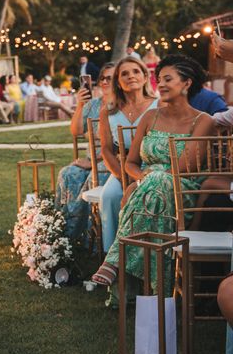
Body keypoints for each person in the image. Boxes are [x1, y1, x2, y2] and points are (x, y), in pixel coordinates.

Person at [92, 54, 216, 289]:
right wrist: (141, 179)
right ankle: (155, 286)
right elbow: (130, 163)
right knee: (152, 185)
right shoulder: (150, 116)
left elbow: (181, 169)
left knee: (155, 181)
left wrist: (144, 180)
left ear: (187, 83)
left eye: (168, 79)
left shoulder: (203, 121)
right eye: (159, 79)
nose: (160, 84)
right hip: (149, 187)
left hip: (182, 190)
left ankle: (115, 261)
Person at [98, 57, 158, 253]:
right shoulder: (108, 112)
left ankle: (144, 251)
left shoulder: (159, 106)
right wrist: (122, 177)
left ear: (144, 77)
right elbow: (106, 149)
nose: (131, 76)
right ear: (118, 81)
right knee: (110, 195)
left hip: (152, 167)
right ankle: (112, 254)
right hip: (120, 169)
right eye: (124, 73)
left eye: (135, 71)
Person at [55, 63, 115, 240]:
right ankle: (62, 231)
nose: (104, 81)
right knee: (67, 173)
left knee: (92, 179)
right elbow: (75, 131)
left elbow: (116, 145)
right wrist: (80, 105)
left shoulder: (121, 106)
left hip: (110, 160)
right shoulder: (93, 104)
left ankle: (91, 237)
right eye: (102, 78)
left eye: (109, 78)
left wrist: (92, 163)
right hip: (92, 160)